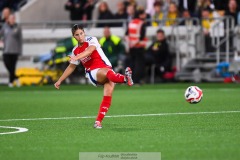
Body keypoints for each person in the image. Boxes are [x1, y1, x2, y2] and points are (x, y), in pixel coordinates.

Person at [54, 24, 134, 129]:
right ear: (74, 37)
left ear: (84, 32)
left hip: (107, 69)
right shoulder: (75, 51)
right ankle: (125, 78)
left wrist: (76, 57)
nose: (80, 36)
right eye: (77, 35)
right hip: (93, 72)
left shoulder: (91, 39)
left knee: (108, 95)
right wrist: (60, 80)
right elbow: (71, 67)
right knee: (108, 73)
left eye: (81, 33)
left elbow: (89, 51)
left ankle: (98, 122)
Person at [125, 9, 147, 85]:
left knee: (132, 64)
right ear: (140, 15)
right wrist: (135, 43)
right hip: (139, 47)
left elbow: (126, 35)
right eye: (144, 14)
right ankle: (137, 80)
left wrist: (130, 44)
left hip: (132, 47)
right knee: (139, 65)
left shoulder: (131, 22)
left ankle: (130, 80)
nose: (145, 16)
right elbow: (142, 36)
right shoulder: (142, 23)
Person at [0, 13, 22, 87]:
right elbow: (1, 35)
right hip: (6, 50)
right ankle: (16, 77)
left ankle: (10, 82)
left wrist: (20, 51)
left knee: (13, 67)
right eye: (11, 18)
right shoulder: (5, 27)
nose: (12, 20)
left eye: (13, 18)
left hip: (14, 50)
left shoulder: (17, 27)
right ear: (8, 19)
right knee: (7, 64)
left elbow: (20, 40)